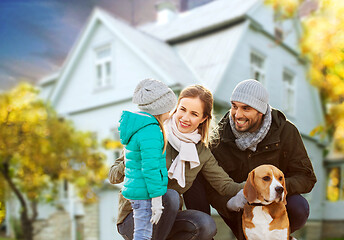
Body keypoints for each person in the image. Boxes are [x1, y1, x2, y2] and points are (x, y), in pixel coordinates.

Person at [109, 84, 245, 240]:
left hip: (167, 221)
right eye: (182, 109)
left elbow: (225, 185)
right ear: (175, 107)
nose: (185, 118)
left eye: (194, 114)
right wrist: (132, 159)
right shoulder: (151, 134)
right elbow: (113, 176)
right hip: (135, 217)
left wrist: (259, 186)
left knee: (205, 224)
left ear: (203, 118)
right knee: (170, 196)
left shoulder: (200, 153)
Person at [191, 79, 317, 240]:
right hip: (239, 208)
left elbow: (306, 177)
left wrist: (274, 189)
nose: (238, 114)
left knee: (299, 207)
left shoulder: (286, 132)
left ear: (261, 111)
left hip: (277, 208)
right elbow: (210, 185)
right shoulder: (219, 137)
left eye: (246, 108)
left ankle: (279, 235)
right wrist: (229, 203)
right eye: (234, 106)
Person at [117, 78, 177, 240]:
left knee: (143, 233)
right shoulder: (151, 131)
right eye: (170, 108)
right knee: (143, 235)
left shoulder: (140, 127)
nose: (172, 113)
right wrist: (157, 201)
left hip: (136, 191)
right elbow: (150, 167)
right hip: (144, 194)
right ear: (160, 108)